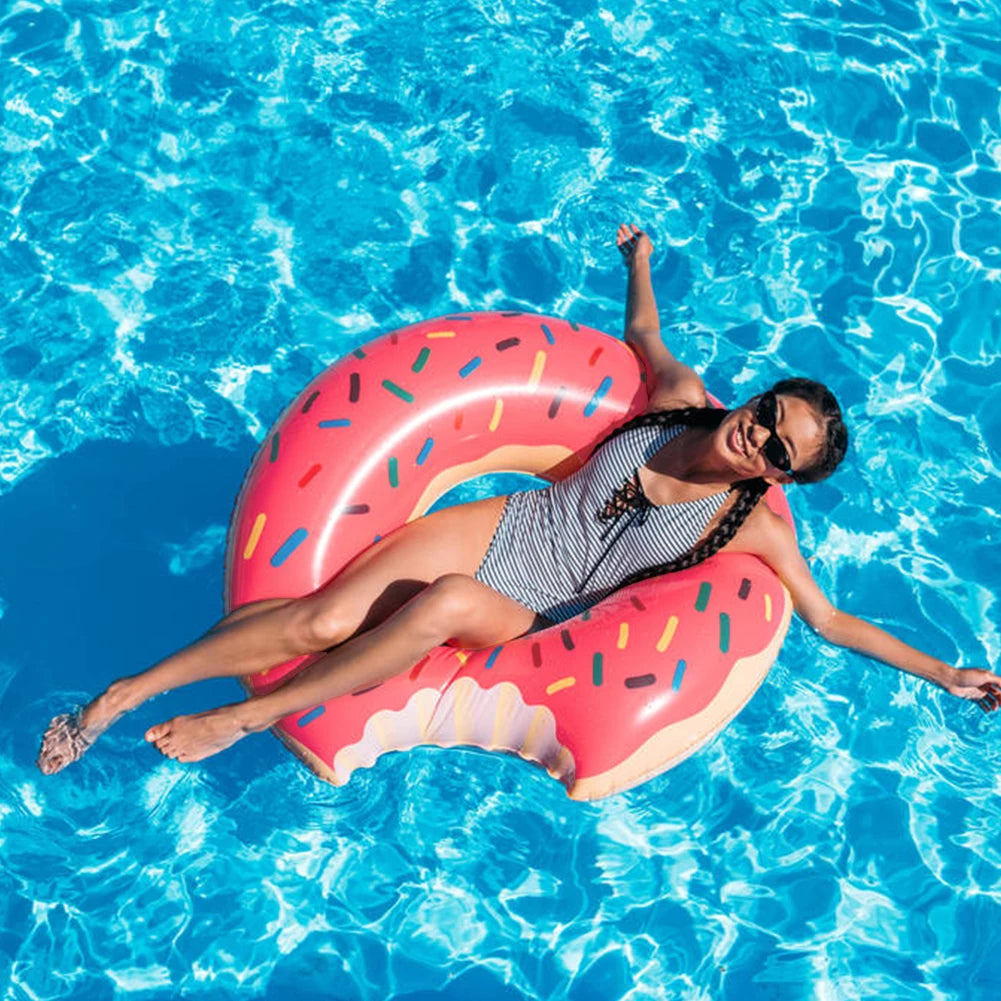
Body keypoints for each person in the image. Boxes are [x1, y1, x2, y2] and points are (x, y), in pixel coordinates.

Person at [37, 223, 1001, 775]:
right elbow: (643, 332)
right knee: (323, 614)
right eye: (766, 412)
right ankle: (127, 692)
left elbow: (832, 621)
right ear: (753, 398)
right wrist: (637, 257)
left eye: (777, 448)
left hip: (529, 597)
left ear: (780, 477)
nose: (757, 433)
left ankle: (245, 716)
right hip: (504, 522)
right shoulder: (677, 400)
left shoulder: (746, 530)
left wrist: (947, 675)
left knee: (450, 606)